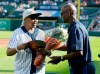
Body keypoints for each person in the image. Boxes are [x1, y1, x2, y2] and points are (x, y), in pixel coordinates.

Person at [48, 3, 96, 74]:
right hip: (82, 67)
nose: (61, 16)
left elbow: (79, 52)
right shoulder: (75, 26)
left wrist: (60, 58)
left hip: (83, 67)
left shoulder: (76, 28)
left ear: (68, 13)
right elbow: (70, 47)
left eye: (62, 14)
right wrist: (53, 46)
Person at [6, 8, 46, 74]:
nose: (35, 20)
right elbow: (8, 52)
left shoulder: (42, 33)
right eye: (33, 17)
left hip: (39, 71)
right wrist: (18, 47)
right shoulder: (17, 33)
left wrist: (46, 51)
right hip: (22, 71)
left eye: (37, 18)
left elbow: (49, 52)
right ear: (25, 18)